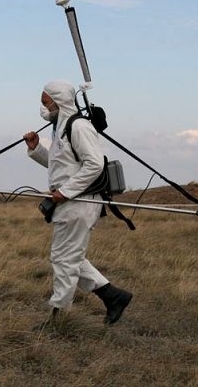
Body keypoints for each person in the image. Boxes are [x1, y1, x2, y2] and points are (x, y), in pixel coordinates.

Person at [23, 79, 132, 325]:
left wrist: (67, 191)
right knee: (69, 257)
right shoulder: (60, 128)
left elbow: (95, 163)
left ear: (58, 100)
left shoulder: (78, 126)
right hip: (69, 203)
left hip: (79, 203)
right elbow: (61, 166)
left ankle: (58, 317)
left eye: (45, 102)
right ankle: (113, 296)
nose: (43, 108)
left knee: (63, 259)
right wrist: (37, 149)